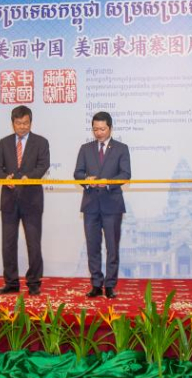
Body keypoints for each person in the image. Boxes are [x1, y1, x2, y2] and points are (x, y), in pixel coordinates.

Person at [0, 105, 50, 296]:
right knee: (8, 243)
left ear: (31, 123)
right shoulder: (4, 143)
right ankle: (11, 282)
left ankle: (34, 282)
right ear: (12, 123)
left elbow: (43, 165)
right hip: (9, 200)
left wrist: (28, 177)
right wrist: (3, 178)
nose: (22, 127)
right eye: (18, 123)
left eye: (25, 123)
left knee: (34, 243)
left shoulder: (41, 142)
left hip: (32, 200)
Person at [73, 111, 131, 299]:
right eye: (95, 129)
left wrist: (107, 181)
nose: (99, 133)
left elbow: (125, 174)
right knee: (92, 247)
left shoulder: (121, 148)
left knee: (112, 247)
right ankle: (96, 284)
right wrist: (86, 179)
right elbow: (77, 173)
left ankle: (110, 285)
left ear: (110, 128)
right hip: (90, 205)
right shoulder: (85, 148)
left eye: (102, 129)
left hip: (112, 204)